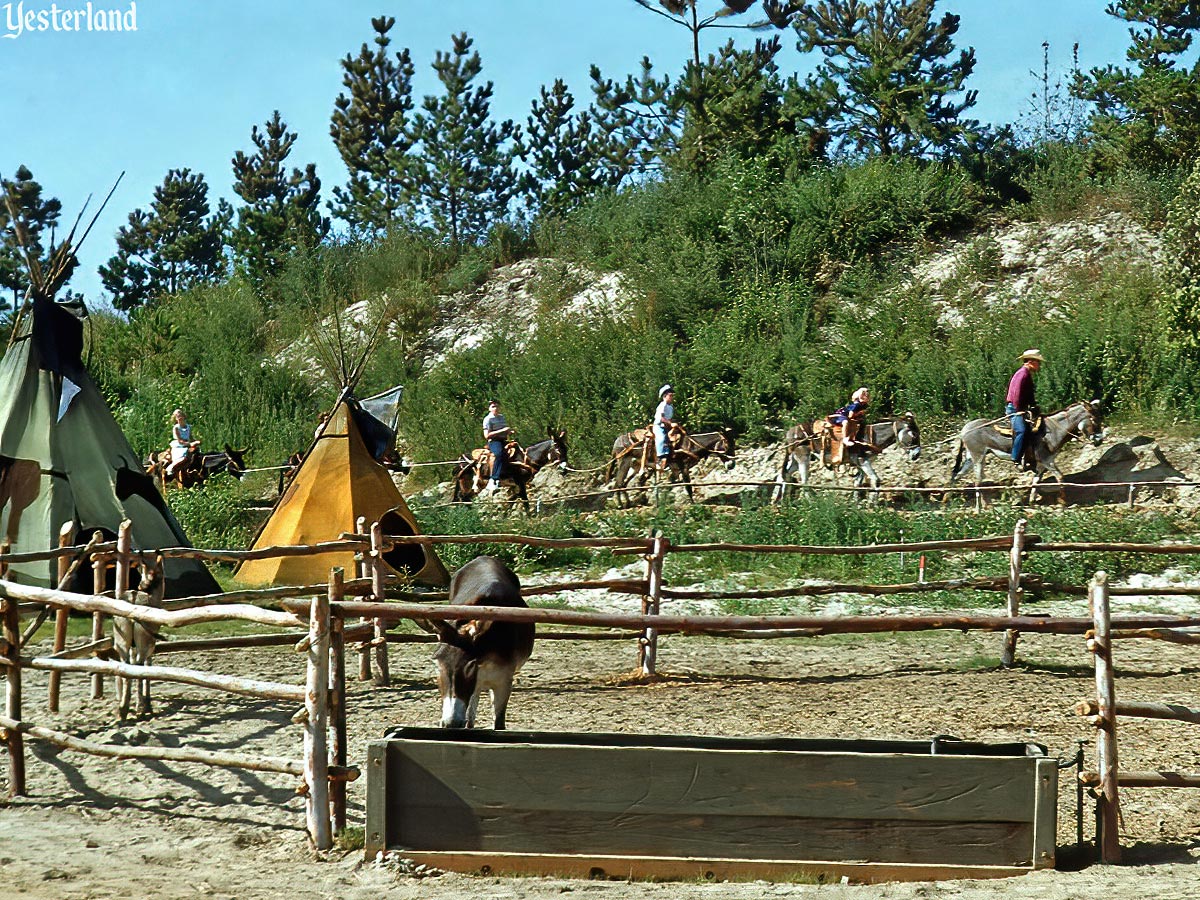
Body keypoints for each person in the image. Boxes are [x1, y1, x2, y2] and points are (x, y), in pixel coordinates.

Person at [1006, 349, 1043, 469]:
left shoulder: (1026, 374)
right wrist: (1019, 410)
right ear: (1031, 362)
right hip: (1015, 409)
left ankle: (1029, 458)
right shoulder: (1022, 374)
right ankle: (1016, 458)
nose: (1039, 365)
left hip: (1020, 408)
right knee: (1022, 430)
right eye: (1038, 362)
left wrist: (1033, 406)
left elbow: (1029, 395)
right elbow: (1016, 394)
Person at [481, 399, 511, 493]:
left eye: (497, 406)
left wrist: (509, 431)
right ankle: (494, 478)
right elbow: (487, 435)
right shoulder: (487, 419)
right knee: (499, 454)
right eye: (493, 406)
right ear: (489, 408)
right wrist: (502, 431)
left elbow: (504, 429)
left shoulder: (502, 417)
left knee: (518, 452)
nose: (495, 408)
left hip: (504, 439)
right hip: (494, 441)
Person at [166, 408, 201, 478]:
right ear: (176, 419)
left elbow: (190, 437)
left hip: (187, 443)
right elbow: (180, 440)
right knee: (183, 456)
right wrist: (190, 444)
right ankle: (171, 468)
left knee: (198, 453)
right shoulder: (176, 428)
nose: (180, 418)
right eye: (178, 416)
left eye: (181, 415)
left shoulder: (188, 426)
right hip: (179, 445)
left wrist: (196, 441)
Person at [653, 384, 676, 470]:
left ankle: (670, 458)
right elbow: (662, 418)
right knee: (661, 438)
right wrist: (670, 424)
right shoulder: (662, 405)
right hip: (659, 426)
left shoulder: (670, 407)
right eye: (670, 396)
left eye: (672, 396)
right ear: (665, 396)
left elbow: (669, 418)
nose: (672, 397)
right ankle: (659, 458)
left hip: (667, 427)